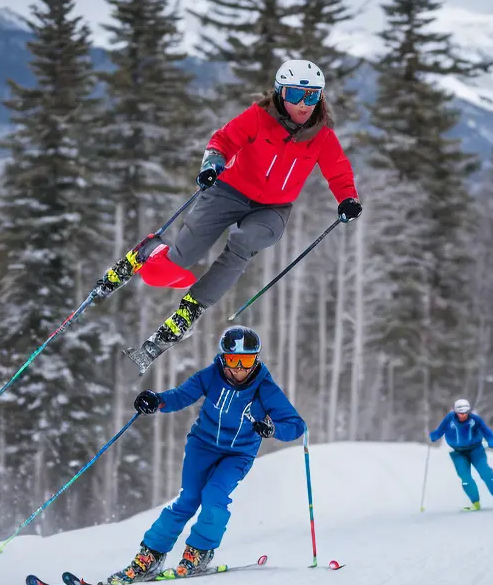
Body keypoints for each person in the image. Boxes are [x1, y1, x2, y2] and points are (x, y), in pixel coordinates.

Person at [121, 59, 362, 368]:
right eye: (296, 95)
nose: (304, 104)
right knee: (176, 263)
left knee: (245, 240)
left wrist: (348, 199)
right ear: (279, 94)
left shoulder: (322, 136)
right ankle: (149, 252)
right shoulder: (258, 118)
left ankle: (192, 309)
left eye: (312, 96)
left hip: (273, 208)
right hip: (229, 192)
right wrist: (212, 163)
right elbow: (222, 140)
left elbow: (338, 172)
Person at [107, 326, 307, 583]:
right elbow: (181, 396)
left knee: (214, 496)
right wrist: (157, 400)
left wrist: (273, 428)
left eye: (246, 360)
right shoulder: (211, 376)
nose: (239, 368)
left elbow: (296, 425)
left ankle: (199, 552)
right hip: (202, 445)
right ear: (223, 358)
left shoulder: (264, 388)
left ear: (255, 359)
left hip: (238, 454)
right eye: (233, 360)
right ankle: (151, 555)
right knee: (188, 499)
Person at [428, 398, 493, 511]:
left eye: (465, 413)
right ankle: (475, 502)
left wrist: (492, 439)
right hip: (458, 452)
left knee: (486, 473)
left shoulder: (475, 419)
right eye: (460, 413)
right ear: (456, 411)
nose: (463, 415)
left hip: (476, 450)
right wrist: (434, 435)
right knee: (465, 477)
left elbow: (486, 430)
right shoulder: (449, 419)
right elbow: (440, 430)